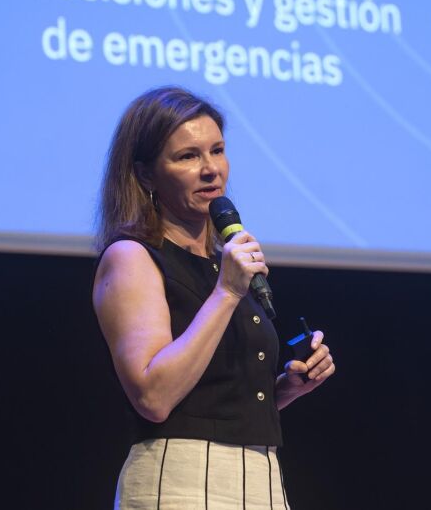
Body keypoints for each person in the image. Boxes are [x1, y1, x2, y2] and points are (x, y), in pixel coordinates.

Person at [92, 86, 335, 509]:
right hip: (180, 480)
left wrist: (288, 388)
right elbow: (153, 397)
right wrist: (226, 292)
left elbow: (212, 399)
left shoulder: (223, 263)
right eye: (188, 156)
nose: (211, 169)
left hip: (260, 477)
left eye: (217, 151)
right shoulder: (132, 258)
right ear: (146, 175)